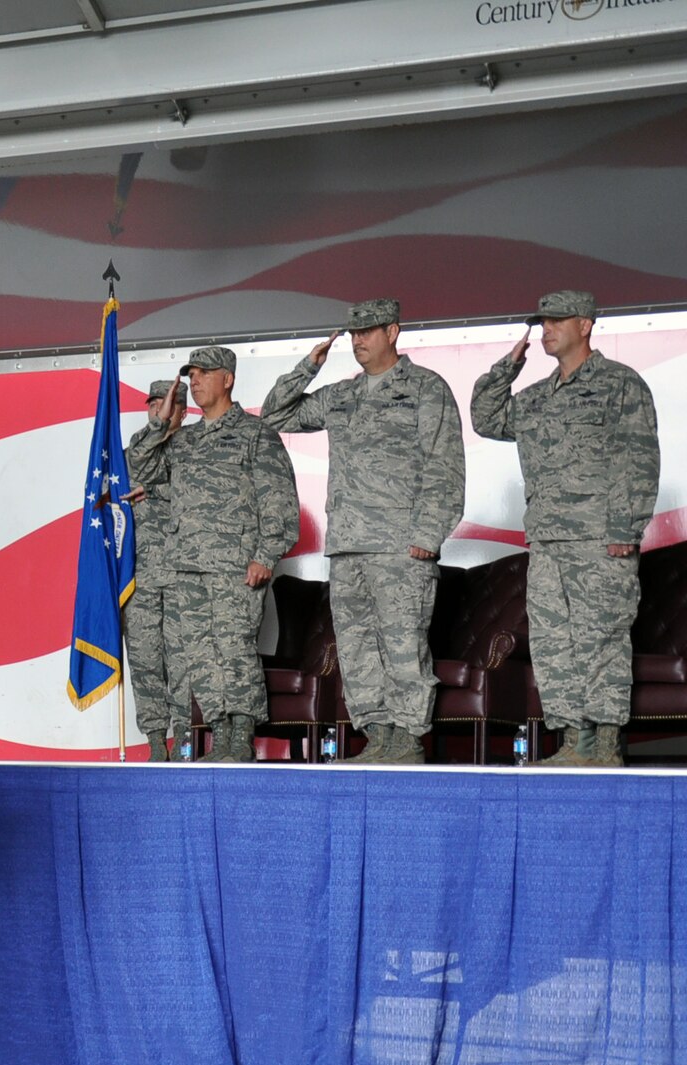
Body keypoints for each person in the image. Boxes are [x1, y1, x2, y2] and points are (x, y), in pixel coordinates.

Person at [261, 298, 465, 764]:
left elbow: (445, 467)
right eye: (353, 333)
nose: (358, 341)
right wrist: (307, 367)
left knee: (402, 646)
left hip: (401, 547)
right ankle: (377, 738)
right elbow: (275, 415)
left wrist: (428, 535)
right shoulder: (342, 395)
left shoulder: (425, 388)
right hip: (348, 547)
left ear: (393, 331)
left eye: (368, 331)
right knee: (356, 652)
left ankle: (407, 740)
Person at [471, 291, 659, 767]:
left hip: (601, 539)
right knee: (555, 646)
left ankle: (606, 744)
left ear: (586, 324)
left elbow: (638, 459)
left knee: (602, 640)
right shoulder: (534, 398)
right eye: (542, 322)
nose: (546, 329)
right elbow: (486, 418)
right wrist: (507, 368)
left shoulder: (620, 384)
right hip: (548, 543)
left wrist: (626, 527)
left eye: (556, 320)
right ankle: (573, 742)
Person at [165, 347, 300, 763]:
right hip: (188, 565)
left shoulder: (256, 434)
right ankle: (220, 733)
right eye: (191, 375)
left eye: (204, 373)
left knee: (234, 648)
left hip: (235, 565)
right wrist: (160, 425)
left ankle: (240, 736)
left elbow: (279, 502)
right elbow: (142, 472)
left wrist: (266, 555)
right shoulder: (182, 441)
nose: (195, 381)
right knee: (201, 655)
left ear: (228, 379)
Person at [124, 378, 189, 760]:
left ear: (182, 410)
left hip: (183, 577)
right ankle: (154, 745)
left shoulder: (195, 448)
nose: (157, 411)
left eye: (165, 405)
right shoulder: (134, 451)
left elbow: (203, 497)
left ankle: (183, 742)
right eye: (152, 405)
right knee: (145, 662)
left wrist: (157, 492)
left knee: (182, 663)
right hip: (142, 578)